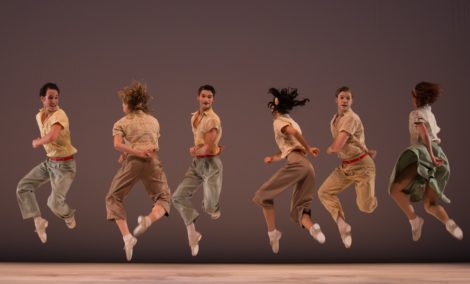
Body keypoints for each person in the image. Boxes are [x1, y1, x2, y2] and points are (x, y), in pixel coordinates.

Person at [252, 87, 325, 254]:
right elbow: (289, 147)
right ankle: (314, 229)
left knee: (262, 196)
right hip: (307, 167)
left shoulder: (278, 122)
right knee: (298, 210)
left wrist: (308, 147)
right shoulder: (292, 121)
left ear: (275, 107)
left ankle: (273, 234)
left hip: (298, 163)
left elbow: (292, 135)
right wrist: (273, 157)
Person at [105, 81, 171, 261]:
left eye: (123, 102)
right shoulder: (154, 121)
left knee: (113, 197)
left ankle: (127, 238)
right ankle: (148, 220)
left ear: (128, 104)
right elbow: (153, 147)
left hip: (134, 163)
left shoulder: (121, 122)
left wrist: (132, 152)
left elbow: (117, 144)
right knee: (164, 198)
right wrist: (137, 152)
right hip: (152, 161)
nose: (122, 106)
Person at [389, 81, 463, 241]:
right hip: (441, 157)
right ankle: (449, 222)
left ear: (414, 97)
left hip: (425, 155)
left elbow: (424, 134)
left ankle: (414, 220)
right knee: (429, 204)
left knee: (395, 189)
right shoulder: (429, 112)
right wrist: (435, 156)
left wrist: (429, 155)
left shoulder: (416, 114)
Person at [17, 82, 78, 243]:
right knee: (23, 187)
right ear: (42, 99)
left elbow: (52, 136)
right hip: (49, 163)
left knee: (53, 203)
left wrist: (38, 142)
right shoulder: (39, 116)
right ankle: (38, 221)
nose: (54, 101)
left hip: (65, 166)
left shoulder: (60, 115)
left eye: (56, 98)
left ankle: (69, 215)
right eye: (50, 97)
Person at [318, 86, 377, 248]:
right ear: (336, 100)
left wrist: (330, 149)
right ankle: (342, 225)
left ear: (352, 101)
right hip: (346, 166)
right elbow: (355, 139)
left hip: (362, 167)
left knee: (365, 207)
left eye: (348, 98)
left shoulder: (351, 117)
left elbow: (338, 144)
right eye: (342, 97)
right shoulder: (336, 118)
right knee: (324, 192)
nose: (345, 101)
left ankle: (373, 193)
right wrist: (366, 149)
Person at [172, 84, 223, 256]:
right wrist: (196, 152)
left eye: (209, 97)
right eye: (203, 96)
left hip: (211, 164)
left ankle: (213, 207)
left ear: (213, 100)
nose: (206, 99)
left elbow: (208, 148)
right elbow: (202, 145)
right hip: (197, 164)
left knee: (209, 208)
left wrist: (196, 150)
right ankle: (193, 234)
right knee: (177, 197)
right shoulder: (195, 117)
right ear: (198, 97)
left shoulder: (212, 120)